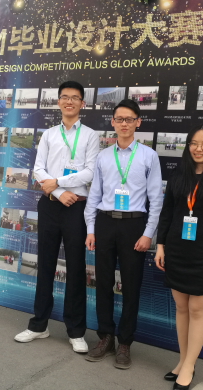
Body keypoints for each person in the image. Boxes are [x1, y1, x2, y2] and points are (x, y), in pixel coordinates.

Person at [14, 81, 100, 354]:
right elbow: (38, 169)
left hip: (77, 207)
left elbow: (90, 172)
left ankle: (76, 331)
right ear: (59, 101)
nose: (69, 101)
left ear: (82, 103)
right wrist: (59, 192)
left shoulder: (91, 136)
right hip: (51, 205)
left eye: (75, 98)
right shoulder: (49, 134)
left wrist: (59, 183)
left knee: (75, 268)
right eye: (65, 97)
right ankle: (39, 325)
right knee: (46, 265)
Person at [84, 99, 163, 369]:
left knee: (131, 286)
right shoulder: (104, 156)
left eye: (130, 119)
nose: (124, 123)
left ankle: (125, 342)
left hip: (134, 226)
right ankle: (105, 337)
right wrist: (91, 229)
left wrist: (148, 233)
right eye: (120, 119)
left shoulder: (149, 156)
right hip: (105, 223)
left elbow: (156, 199)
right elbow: (94, 195)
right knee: (103, 283)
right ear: (113, 122)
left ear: (138, 122)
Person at [154, 123, 203, 389]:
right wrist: (161, 245)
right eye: (194, 144)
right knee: (181, 308)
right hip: (177, 249)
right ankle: (183, 360)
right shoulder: (178, 176)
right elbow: (167, 213)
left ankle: (189, 365)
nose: (199, 149)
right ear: (188, 146)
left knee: (198, 309)